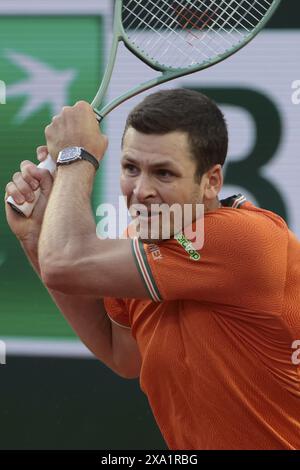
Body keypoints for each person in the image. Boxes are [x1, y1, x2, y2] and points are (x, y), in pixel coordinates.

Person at [5, 89, 300, 450]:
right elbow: (122, 355)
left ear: (212, 181)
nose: (141, 190)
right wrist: (36, 237)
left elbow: (65, 262)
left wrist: (74, 156)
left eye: (163, 173)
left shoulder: (242, 239)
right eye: (131, 168)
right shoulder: (140, 244)